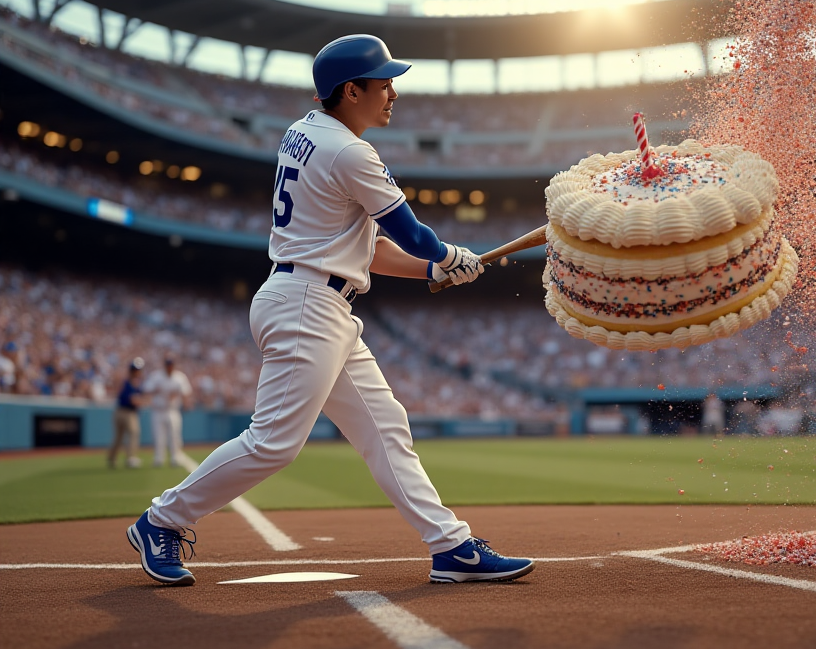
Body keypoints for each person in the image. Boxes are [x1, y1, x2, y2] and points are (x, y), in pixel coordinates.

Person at [127, 34, 534, 587]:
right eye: (384, 82)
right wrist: (446, 255)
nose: (393, 92)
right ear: (351, 90)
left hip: (319, 301)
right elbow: (409, 232)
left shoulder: (306, 133)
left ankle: (451, 547)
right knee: (274, 442)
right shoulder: (349, 150)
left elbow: (368, 249)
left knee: (387, 429)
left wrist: (433, 268)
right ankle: (161, 520)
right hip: (306, 305)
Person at [144, 356, 195, 470]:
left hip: (173, 410)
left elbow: (186, 392)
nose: (169, 367)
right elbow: (147, 389)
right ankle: (159, 458)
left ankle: (175, 457)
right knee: (158, 436)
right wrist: (157, 391)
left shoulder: (179, 377)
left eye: (171, 364)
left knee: (174, 435)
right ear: (164, 365)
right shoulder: (156, 376)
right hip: (158, 410)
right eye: (168, 364)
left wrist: (185, 402)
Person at [108, 358, 145, 469]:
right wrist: (142, 401)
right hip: (126, 412)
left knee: (119, 437)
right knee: (134, 433)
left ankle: (112, 458)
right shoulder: (128, 383)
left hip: (121, 412)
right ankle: (131, 458)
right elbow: (133, 400)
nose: (137, 372)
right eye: (135, 370)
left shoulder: (132, 382)